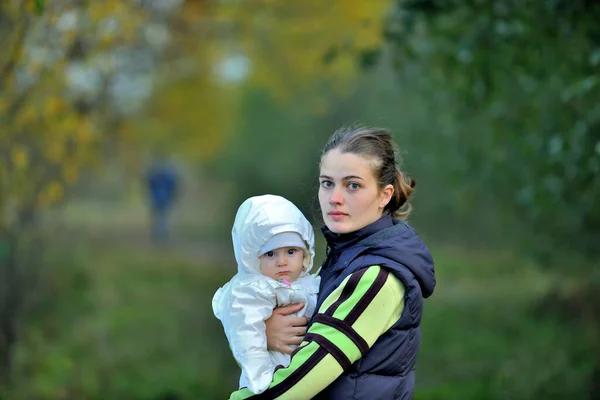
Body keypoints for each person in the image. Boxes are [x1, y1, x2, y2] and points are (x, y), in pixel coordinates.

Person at [229, 126, 436, 399]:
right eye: (327, 183)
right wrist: (265, 332)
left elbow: (300, 380)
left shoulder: (377, 276)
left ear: (384, 195)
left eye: (353, 185)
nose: (335, 198)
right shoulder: (347, 254)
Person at [212, 194, 321, 395]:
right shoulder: (253, 290)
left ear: (305, 252)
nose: (282, 262)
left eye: (291, 251)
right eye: (271, 254)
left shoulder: (310, 282)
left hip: (304, 377)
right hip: (270, 377)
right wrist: (261, 378)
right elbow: (246, 331)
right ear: (253, 258)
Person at [145, 157, 179, 242]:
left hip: (157, 199)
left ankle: (160, 235)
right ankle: (162, 235)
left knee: (159, 218)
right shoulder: (168, 176)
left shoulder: (154, 176)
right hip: (164, 199)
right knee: (163, 218)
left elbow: (149, 185)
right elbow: (173, 187)